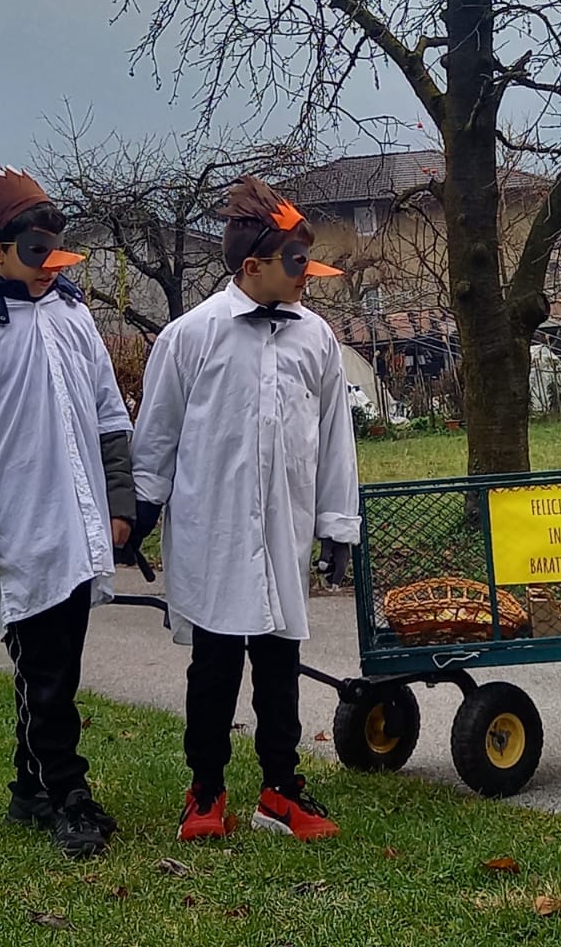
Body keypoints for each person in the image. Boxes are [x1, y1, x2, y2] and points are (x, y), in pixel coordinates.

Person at [127, 175, 360, 842]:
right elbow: (157, 436)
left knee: (280, 666)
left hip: (284, 530)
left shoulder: (316, 340)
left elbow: (334, 438)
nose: (307, 274)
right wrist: (140, 512)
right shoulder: (190, 337)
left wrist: (336, 525)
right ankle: (206, 790)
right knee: (215, 667)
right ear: (253, 266)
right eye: (295, 261)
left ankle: (281, 790)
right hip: (215, 533)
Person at [0, 166, 137, 860]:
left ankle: (29, 790)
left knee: (55, 669)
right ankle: (69, 795)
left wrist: (120, 504)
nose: (49, 267)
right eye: (35, 252)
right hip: (15, 534)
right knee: (44, 675)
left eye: (56, 252)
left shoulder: (73, 317)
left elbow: (109, 417)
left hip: (78, 526)